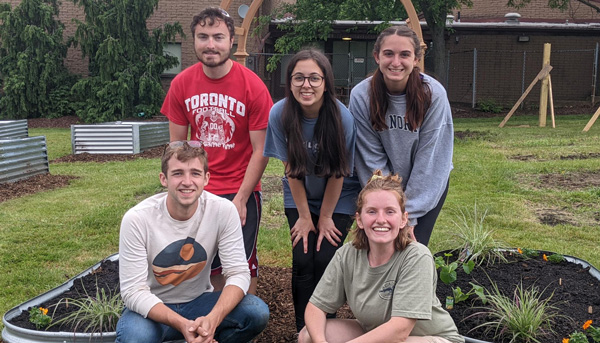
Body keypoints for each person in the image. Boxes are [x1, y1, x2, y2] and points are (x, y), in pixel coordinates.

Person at [161, 7, 273, 295]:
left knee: (241, 264)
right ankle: (207, 325)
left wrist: (242, 197)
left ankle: (241, 326)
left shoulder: (253, 87)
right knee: (201, 262)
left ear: (231, 42)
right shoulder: (181, 84)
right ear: (194, 41)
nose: (211, 44)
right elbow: (176, 148)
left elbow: (261, 150)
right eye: (203, 37)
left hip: (240, 188)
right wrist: (180, 191)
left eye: (218, 37)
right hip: (198, 188)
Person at [116, 141, 269, 343]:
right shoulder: (137, 219)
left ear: (206, 178)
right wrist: (182, 323)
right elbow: (133, 291)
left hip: (200, 302)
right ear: (164, 179)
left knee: (256, 312)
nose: (187, 182)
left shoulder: (222, 211)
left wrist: (212, 320)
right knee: (136, 338)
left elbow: (238, 273)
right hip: (154, 309)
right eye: (178, 173)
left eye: (195, 173)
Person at [298, 170, 464, 343]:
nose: (381, 219)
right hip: (374, 330)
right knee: (308, 335)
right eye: (371, 212)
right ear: (359, 219)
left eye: (390, 212)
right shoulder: (347, 254)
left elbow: (399, 330)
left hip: (431, 338)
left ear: (403, 220)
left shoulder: (416, 257)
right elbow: (315, 308)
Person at [263, 49, 361, 332]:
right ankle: (302, 330)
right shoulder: (280, 113)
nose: (306, 85)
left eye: (314, 78)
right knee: (303, 257)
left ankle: (325, 329)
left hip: (338, 195)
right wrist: (305, 217)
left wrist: (326, 217)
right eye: (299, 78)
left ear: (326, 82)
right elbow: (292, 170)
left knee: (325, 258)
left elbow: (339, 173)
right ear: (289, 82)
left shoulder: (342, 119)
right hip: (299, 194)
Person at [349, 25, 453, 246]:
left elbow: (430, 161)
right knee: (379, 247)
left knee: (412, 249)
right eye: (389, 54)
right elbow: (370, 158)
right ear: (377, 56)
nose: (396, 62)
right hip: (379, 185)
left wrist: (408, 215)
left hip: (427, 185)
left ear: (416, 59)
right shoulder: (361, 96)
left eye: (404, 54)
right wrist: (387, 207)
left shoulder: (433, 95)